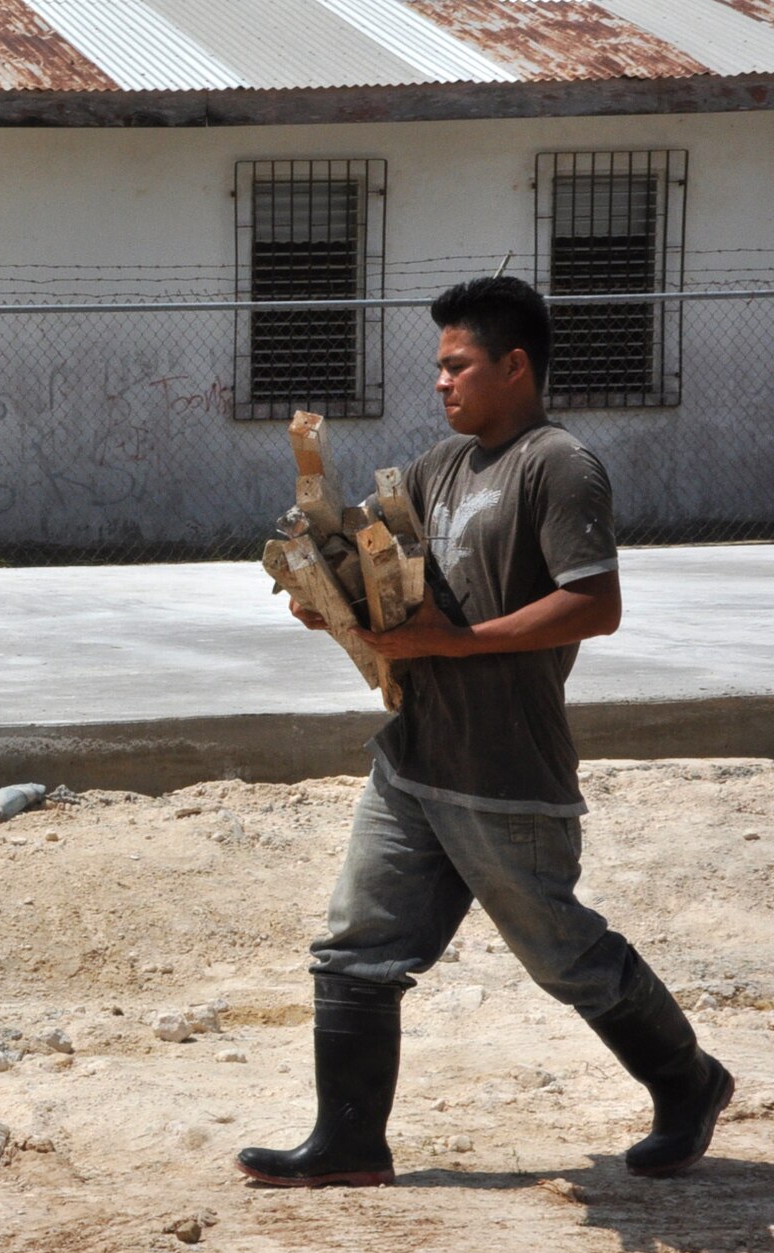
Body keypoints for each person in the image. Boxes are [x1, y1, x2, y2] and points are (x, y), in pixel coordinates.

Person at [236, 276, 734, 1187]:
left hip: (508, 767)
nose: (440, 383)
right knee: (355, 945)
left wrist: (455, 641)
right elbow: (396, 585)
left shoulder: (559, 465)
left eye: (457, 365)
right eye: (438, 367)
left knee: (567, 958)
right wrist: (334, 603)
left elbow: (596, 604)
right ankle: (349, 1141)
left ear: (515, 365)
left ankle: (690, 1084)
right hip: (418, 754)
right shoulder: (439, 469)